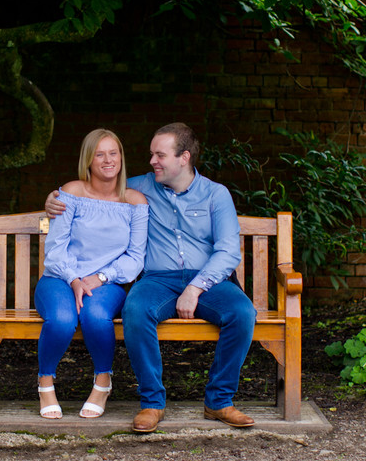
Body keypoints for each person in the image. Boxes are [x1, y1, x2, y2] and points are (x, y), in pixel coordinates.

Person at [45, 122, 256, 433]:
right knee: (135, 310)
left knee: (242, 312)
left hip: (208, 281)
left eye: (160, 155)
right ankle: (152, 404)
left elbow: (227, 252)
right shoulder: (139, 188)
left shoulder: (216, 195)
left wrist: (195, 288)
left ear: (183, 158)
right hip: (158, 280)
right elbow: (97, 190)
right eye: (151, 155)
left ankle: (219, 401)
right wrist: (53, 199)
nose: (152, 161)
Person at [35, 128, 148, 420]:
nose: (108, 160)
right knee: (61, 320)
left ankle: (103, 381)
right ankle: (45, 382)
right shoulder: (71, 193)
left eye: (114, 153)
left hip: (107, 282)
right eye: (100, 154)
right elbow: (55, 248)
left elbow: (136, 258)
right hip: (59, 279)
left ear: (122, 158)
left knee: (96, 316)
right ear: (88, 159)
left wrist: (99, 278)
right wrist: (74, 280)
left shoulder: (135, 201)